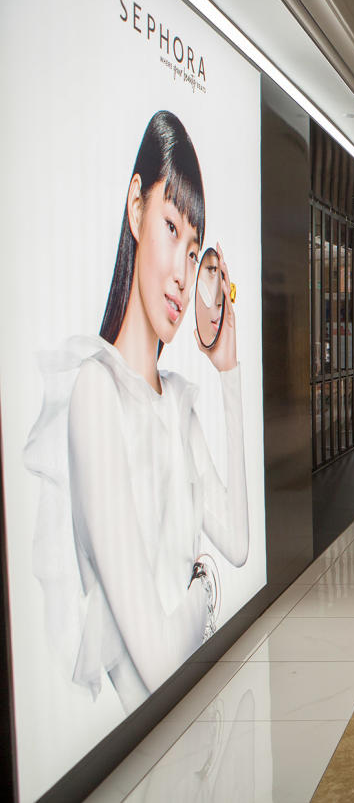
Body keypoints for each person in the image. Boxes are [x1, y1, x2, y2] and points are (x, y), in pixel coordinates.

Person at [24, 110, 249, 712]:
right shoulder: (96, 395)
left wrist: (227, 374)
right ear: (135, 207)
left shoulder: (174, 399)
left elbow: (238, 540)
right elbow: (156, 662)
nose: (181, 272)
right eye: (171, 227)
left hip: (186, 737)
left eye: (194, 246)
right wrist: (203, 591)